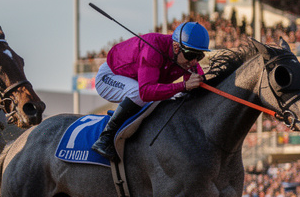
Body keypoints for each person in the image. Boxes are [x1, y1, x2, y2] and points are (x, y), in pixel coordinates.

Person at [88, 20, 209, 161]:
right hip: (110, 77)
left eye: (199, 56)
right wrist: (182, 86)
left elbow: (198, 87)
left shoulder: (186, 58)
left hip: (138, 82)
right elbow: (146, 92)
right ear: (176, 47)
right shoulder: (152, 49)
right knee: (138, 94)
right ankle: (105, 138)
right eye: (191, 55)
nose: (194, 61)